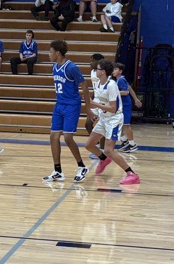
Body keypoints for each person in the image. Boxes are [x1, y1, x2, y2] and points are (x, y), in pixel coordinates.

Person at [85, 59, 140, 185]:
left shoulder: (111, 85)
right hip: (104, 118)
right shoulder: (98, 84)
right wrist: (94, 111)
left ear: (103, 72)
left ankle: (132, 174)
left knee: (109, 150)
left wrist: (95, 104)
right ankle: (103, 160)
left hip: (114, 119)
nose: (95, 71)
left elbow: (112, 108)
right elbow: (99, 102)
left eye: (97, 69)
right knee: (89, 145)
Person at [43, 40, 91, 183]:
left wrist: (88, 108)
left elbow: (84, 85)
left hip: (71, 105)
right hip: (59, 105)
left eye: (50, 52)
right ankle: (57, 171)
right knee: (53, 136)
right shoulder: (54, 67)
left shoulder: (71, 67)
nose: (49, 54)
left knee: (68, 138)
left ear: (57, 53)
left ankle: (82, 166)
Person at [113, 62, 142, 153]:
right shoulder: (119, 79)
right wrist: (136, 99)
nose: (113, 71)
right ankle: (125, 140)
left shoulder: (121, 80)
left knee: (126, 125)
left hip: (125, 105)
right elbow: (129, 88)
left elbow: (125, 92)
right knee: (118, 124)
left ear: (120, 71)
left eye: (115, 69)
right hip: (121, 105)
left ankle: (132, 144)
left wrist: (113, 92)